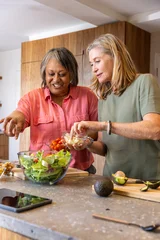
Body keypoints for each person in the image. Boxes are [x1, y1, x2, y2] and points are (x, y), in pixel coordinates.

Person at [70, 33, 160, 180]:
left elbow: (155, 129)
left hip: (147, 183)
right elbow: (105, 148)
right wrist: (86, 142)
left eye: (97, 61)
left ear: (115, 56)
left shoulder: (144, 82)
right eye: (91, 64)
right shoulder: (104, 98)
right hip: (112, 182)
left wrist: (105, 125)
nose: (93, 69)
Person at [0, 47, 98, 173]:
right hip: (42, 172)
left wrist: (82, 139)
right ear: (44, 74)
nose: (56, 79)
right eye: (51, 74)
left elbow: (97, 132)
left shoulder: (87, 96)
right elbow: (20, 113)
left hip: (81, 172)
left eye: (62, 74)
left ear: (71, 74)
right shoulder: (32, 98)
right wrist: (15, 119)